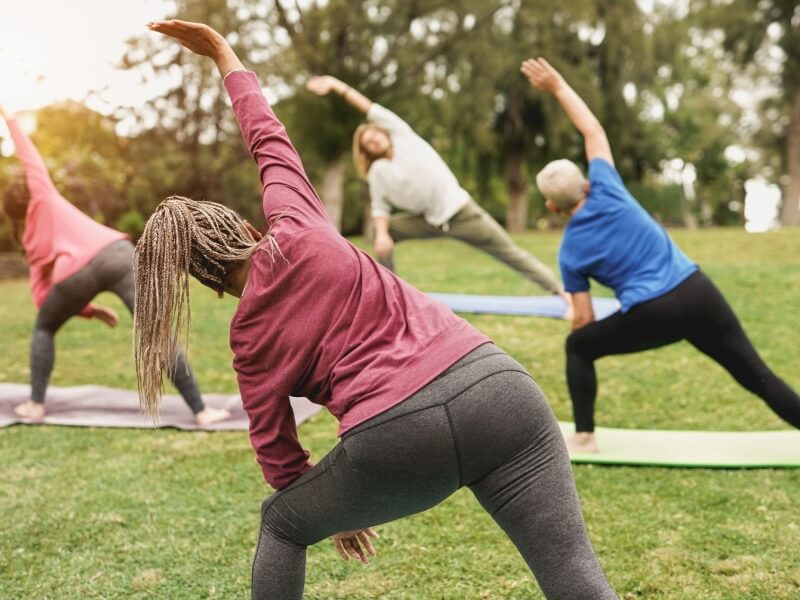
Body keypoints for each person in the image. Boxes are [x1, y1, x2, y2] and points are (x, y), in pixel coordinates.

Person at [137, 20, 616, 600]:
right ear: (245, 227)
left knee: (282, 524)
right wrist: (222, 52)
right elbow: (266, 136)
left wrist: (334, 509)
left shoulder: (248, 341)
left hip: (397, 439)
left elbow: (277, 453)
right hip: (501, 390)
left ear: (209, 285)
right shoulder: (297, 220)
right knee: (570, 566)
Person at [521, 57, 800, 453]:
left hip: (654, 313)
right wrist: (559, 86)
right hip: (699, 291)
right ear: (585, 182)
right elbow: (592, 130)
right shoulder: (607, 185)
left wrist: (580, 327)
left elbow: (582, 318)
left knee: (579, 346)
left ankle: (584, 437)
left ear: (552, 208)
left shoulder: (570, 252)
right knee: (758, 375)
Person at [0, 104, 228, 425]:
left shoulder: (31, 243)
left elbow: (42, 299)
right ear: (28, 193)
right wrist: (8, 117)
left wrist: (88, 309)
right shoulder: (43, 195)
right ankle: (202, 412)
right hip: (116, 255)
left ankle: (35, 406)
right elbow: (29, 157)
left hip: (75, 276)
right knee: (156, 332)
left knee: (44, 327)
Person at [305, 73, 571, 310]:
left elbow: (368, 107)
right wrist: (383, 235)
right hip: (427, 222)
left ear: (383, 132)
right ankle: (393, 299)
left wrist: (338, 86)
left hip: (462, 213)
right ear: (365, 152)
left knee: (509, 251)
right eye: (367, 143)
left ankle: (561, 292)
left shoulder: (402, 135)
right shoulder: (377, 173)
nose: (373, 140)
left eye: (374, 135)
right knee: (380, 231)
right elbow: (380, 209)